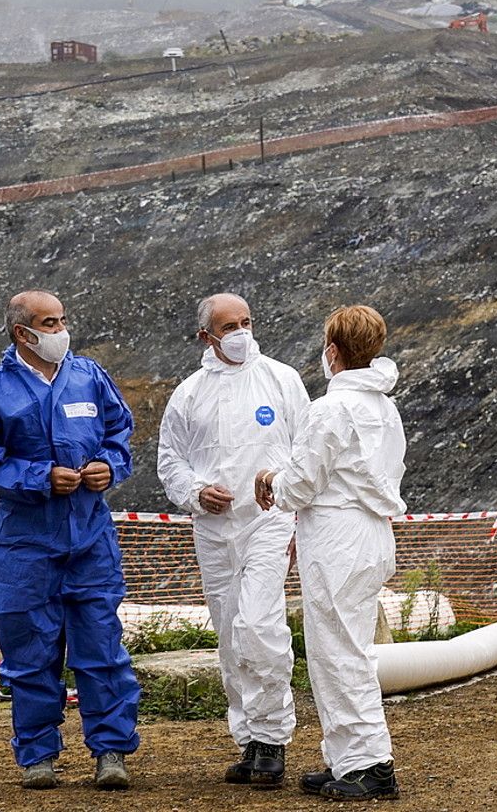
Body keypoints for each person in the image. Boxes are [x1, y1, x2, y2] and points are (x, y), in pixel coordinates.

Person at [0, 289, 141, 791]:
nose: (61, 330)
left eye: (62, 320)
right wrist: (39, 477)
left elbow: (119, 431)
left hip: (90, 540)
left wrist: (109, 465)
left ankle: (111, 753)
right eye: (49, 322)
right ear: (23, 333)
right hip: (23, 545)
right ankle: (38, 756)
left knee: (101, 648)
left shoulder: (89, 376)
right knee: (29, 652)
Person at [254, 304, 406, 802]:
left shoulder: (331, 409)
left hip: (338, 538)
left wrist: (270, 479)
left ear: (333, 351)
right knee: (345, 649)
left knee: (339, 653)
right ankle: (347, 757)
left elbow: (299, 485)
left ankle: (369, 765)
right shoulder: (384, 407)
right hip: (371, 533)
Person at [157, 292, 309, 787]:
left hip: (269, 520)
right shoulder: (189, 394)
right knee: (228, 631)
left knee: (259, 624)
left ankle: (273, 739)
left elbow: (307, 452)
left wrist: (296, 513)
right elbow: (170, 461)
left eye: (246, 321)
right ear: (206, 336)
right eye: (229, 326)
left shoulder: (281, 379)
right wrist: (197, 492)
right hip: (213, 529)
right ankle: (248, 737)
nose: (241, 332)